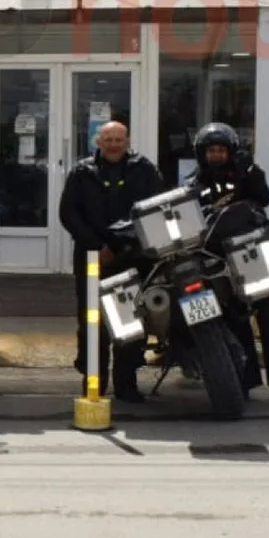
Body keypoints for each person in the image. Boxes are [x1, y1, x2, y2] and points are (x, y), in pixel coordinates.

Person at [188, 122, 269, 408]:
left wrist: (249, 173)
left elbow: (264, 198)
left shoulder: (247, 174)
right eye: (211, 150)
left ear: (231, 151)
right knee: (236, 321)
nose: (216, 155)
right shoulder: (193, 185)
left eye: (221, 150)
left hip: (255, 255)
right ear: (202, 153)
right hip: (221, 262)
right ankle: (243, 383)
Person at [57, 121, 161, 402]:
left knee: (129, 322)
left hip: (131, 256)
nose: (114, 144)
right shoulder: (82, 172)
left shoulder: (144, 169)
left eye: (119, 139)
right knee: (93, 322)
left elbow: (154, 208)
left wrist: (127, 245)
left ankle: (126, 385)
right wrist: (96, 245)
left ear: (127, 141)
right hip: (92, 257)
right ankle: (94, 382)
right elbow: (68, 213)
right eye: (108, 139)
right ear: (98, 143)